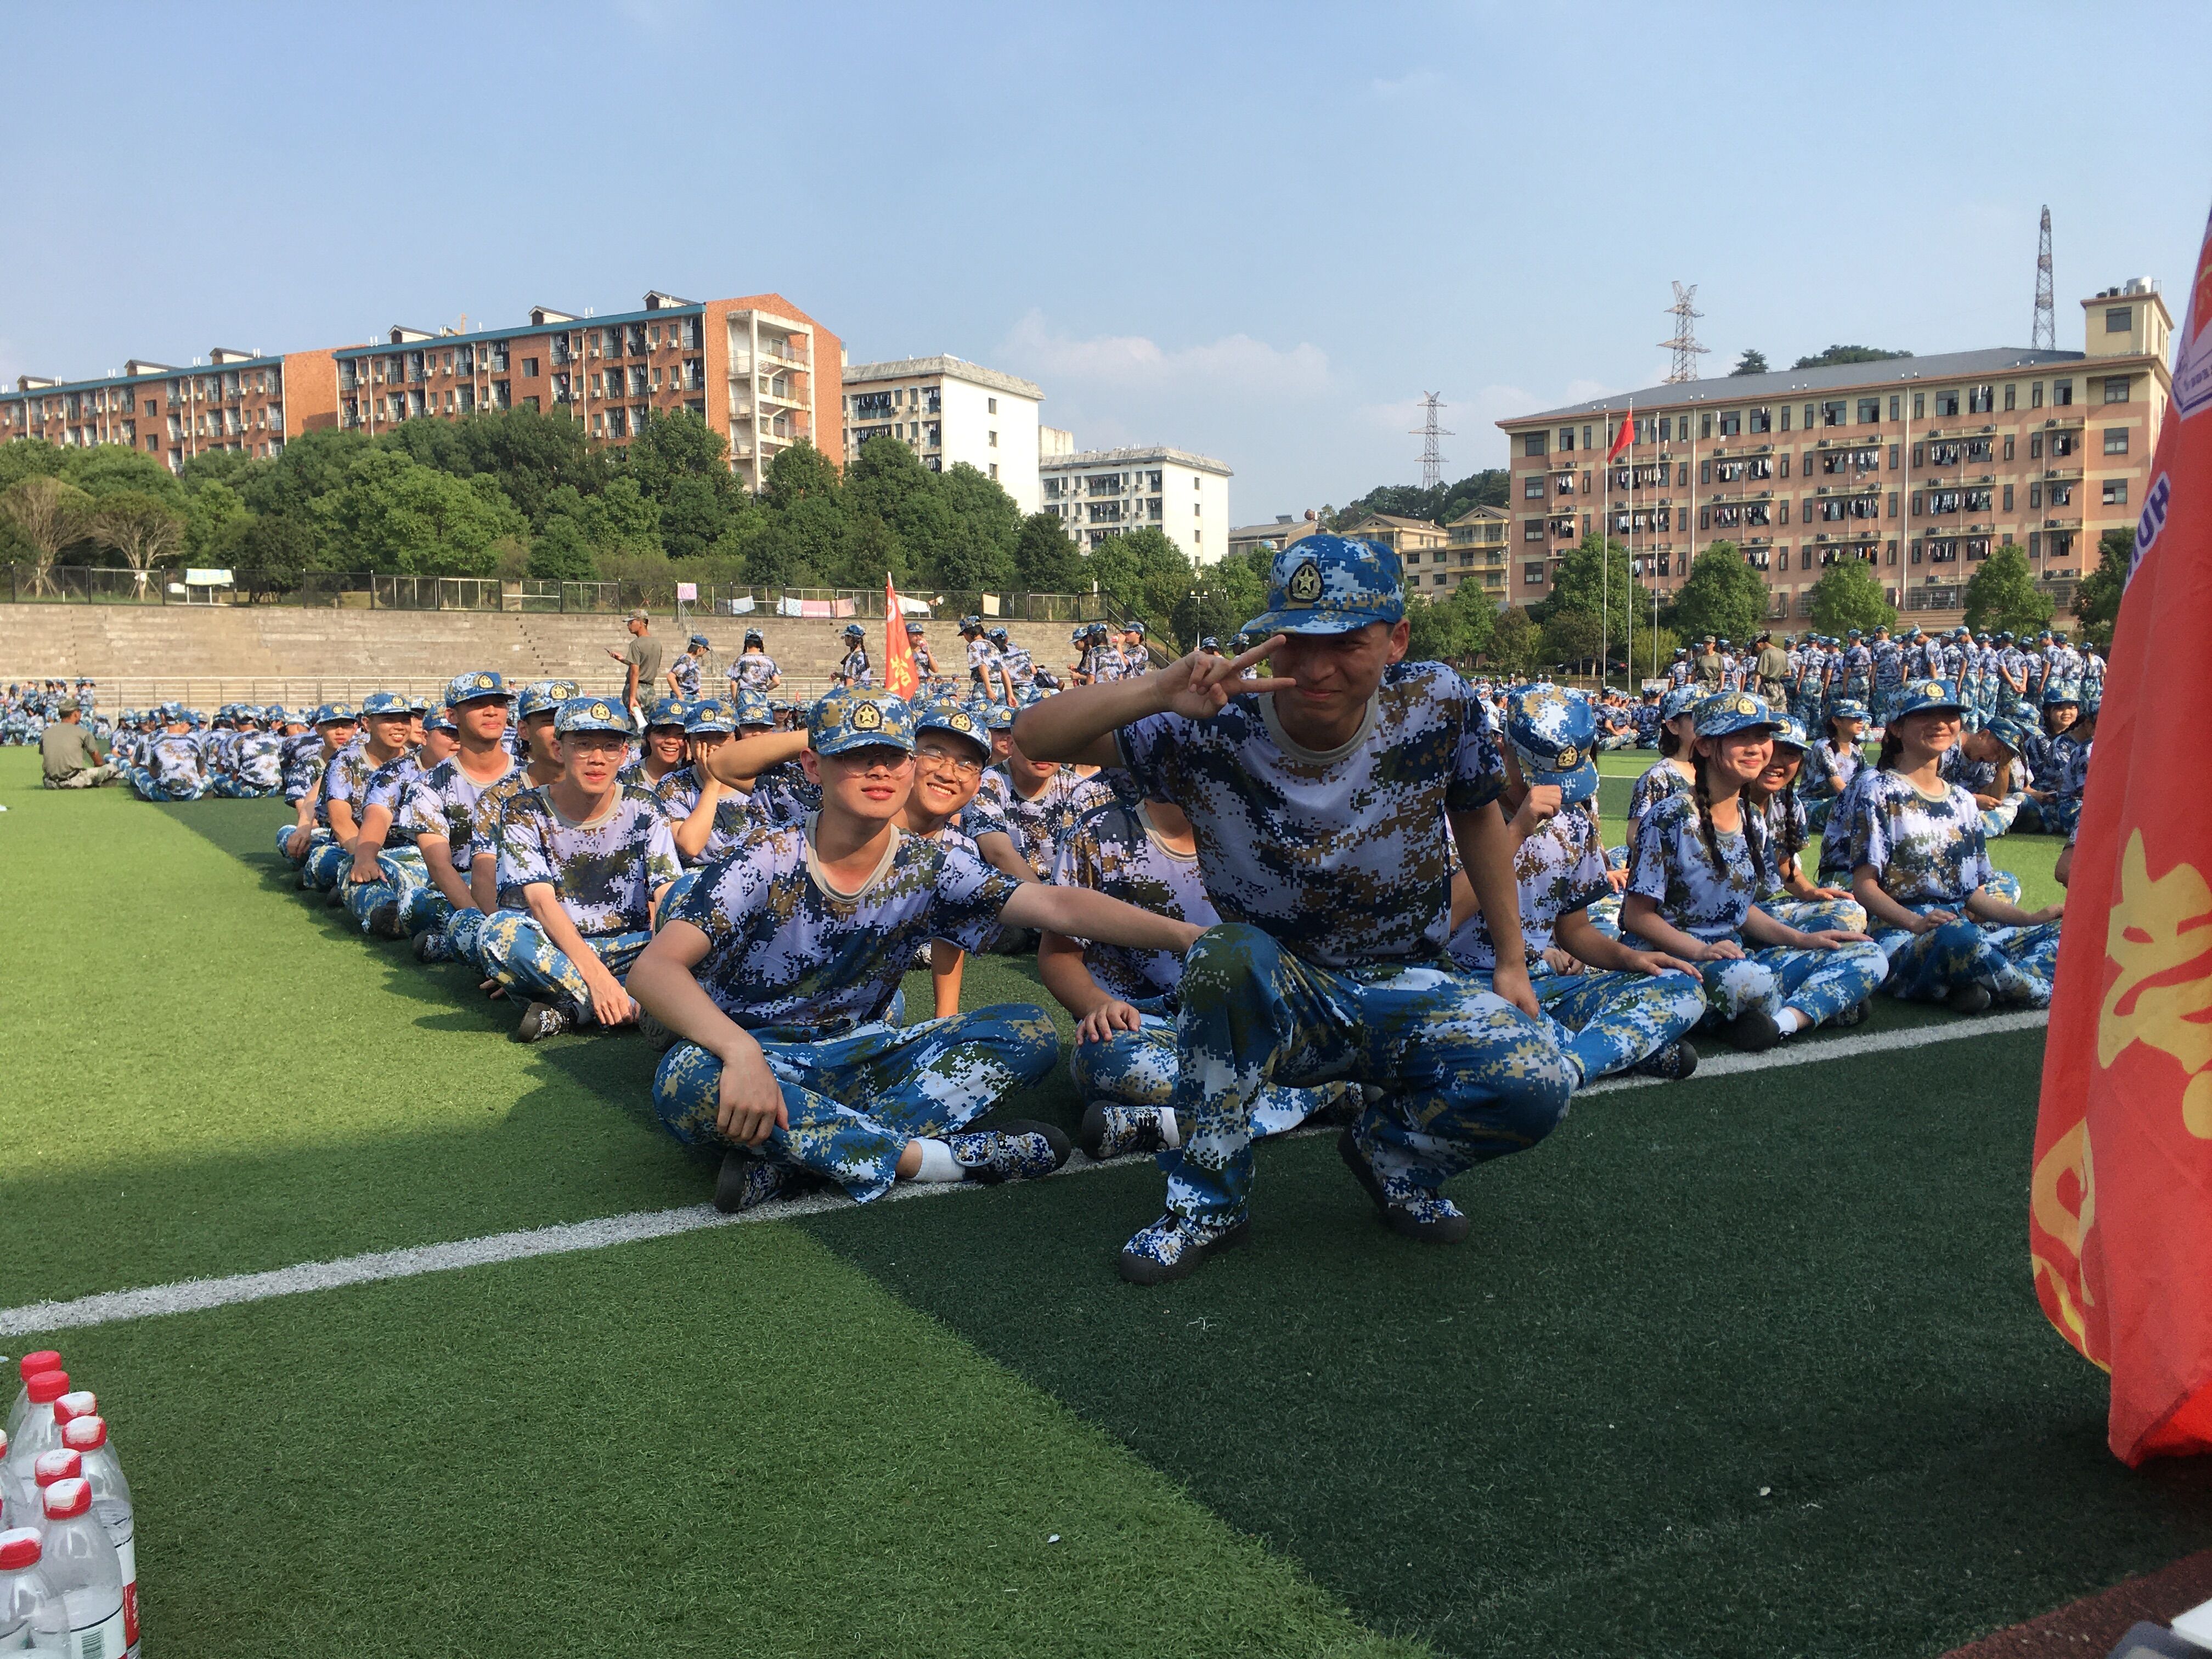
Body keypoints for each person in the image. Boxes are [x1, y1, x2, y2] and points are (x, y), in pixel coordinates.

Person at [1014, 534, 1576, 1285]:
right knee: (1224, 954)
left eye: (1345, 643)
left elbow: (1475, 813)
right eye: (1296, 642)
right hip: (1278, 990)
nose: (1315, 668)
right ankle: (1209, 1203)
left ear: (1396, 641)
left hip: (1404, 980)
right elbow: (1034, 734)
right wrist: (1157, 690)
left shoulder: (1435, 701)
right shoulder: (1213, 718)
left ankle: (1391, 1155)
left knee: (1539, 1080)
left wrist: (1510, 960)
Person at [627, 689, 1206, 1214]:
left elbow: (1056, 907)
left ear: (909, 768)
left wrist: (1187, 937)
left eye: (893, 756)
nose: (879, 770)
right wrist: (740, 1052)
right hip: (764, 1054)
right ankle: (933, 1160)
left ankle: (797, 1162)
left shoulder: (932, 864)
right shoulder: (769, 856)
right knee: (686, 1079)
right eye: (856, 755)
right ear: (814, 766)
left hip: (864, 1052)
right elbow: (654, 969)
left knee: (1027, 1033)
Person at [1043, 788, 1363, 1160]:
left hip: (1248, 1025)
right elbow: (1059, 955)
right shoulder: (1099, 833)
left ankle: (1166, 1126)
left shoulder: (1266, 829)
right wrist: (1098, 1005)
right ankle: (1317, 1093)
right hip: (1145, 1025)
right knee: (1099, 1057)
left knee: (1347, 1025)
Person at [1446, 687, 1708, 1085]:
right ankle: (1622, 1050)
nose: (1556, 794)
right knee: (1493, 1027)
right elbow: (1443, 919)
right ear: (1504, 749)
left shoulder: (1572, 820)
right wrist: (1515, 833)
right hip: (1469, 985)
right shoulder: (1456, 815)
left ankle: (1571, 1065)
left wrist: (1630, 960)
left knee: (1681, 989)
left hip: (1548, 984)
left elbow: (1575, 930)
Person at [1619, 691, 1887, 1052]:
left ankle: (1779, 1023)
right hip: (1679, 957)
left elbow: (1743, 911)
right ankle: (1809, 1006)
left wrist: (1801, 940)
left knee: (1867, 956)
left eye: (1761, 737)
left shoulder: (1753, 819)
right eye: (1739, 737)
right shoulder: (1670, 817)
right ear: (1705, 746)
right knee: (1750, 982)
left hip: (1736, 956)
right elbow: (1636, 917)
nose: (1755, 748)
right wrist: (1700, 951)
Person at [1841, 678, 2064, 1012]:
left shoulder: (1962, 800)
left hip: (1962, 926)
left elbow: (1972, 894)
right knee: (1958, 937)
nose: (1940, 724)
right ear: (1897, 728)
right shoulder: (1878, 791)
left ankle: (1977, 983)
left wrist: (2031, 918)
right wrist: (1915, 923)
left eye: (1949, 715)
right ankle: (2035, 991)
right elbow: (1864, 886)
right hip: (1904, 935)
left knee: (2063, 927)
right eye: (1925, 716)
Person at [478, 696, 681, 1042]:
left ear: (626, 753)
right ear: (560, 750)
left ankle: (570, 1010)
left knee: (695, 915)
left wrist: (667, 958)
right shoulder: (524, 809)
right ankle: (635, 1005)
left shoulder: (643, 805)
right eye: (583, 745)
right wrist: (598, 981)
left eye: (610, 747)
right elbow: (540, 902)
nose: (597, 758)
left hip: (631, 947)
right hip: (558, 947)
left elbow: (667, 890)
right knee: (498, 934)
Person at [398, 672, 517, 963]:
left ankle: (454, 946)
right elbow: (439, 866)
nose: (492, 712)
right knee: (418, 905)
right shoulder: (429, 785)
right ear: (452, 716)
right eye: (478, 705)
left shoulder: (530, 776)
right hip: (465, 886)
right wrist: (486, 925)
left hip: (526, 885)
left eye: (499, 703)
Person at [1624, 685, 1703, 845]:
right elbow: (1635, 836)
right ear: (1673, 726)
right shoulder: (1659, 777)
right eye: (1696, 717)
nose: (1705, 724)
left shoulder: (1714, 769)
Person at [1940, 712, 2034, 838]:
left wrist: (2004, 765)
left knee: (2013, 804)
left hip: (1964, 808)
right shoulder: (1948, 747)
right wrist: (1971, 800)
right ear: (1983, 735)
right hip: (1939, 805)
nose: (1994, 758)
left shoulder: (1985, 760)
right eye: (1997, 750)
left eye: (1999, 756)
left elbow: (1995, 797)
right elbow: (1926, 788)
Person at [1800, 699, 1869, 834]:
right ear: (1836, 721)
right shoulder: (1824, 747)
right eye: (1854, 718)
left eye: (1861, 717)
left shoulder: (1856, 749)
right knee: (1840, 805)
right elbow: (1838, 785)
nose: (1860, 721)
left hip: (1843, 801)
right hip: (1814, 805)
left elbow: (1867, 779)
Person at [38, 698, 116, 789]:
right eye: (79, 712)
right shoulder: (83, 733)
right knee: (114, 768)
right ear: (75, 713)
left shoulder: (46, 733)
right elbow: (98, 762)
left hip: (50, 783)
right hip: (74, 781)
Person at [606, 610, 663, 720]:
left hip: (636, 689)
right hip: (650, 691)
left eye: (631, 622)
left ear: (641, 623)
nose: (628, 626)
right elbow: (647, 665)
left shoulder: (636, 644)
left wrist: (632, 697)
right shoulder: (657, 644)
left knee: (634, 723)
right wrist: (624, 660)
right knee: (648, 724)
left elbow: (635, 672)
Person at [728, 629, 782, 695]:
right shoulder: (768, 660)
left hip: (745, 698)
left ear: (747, 643)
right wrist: (764, 689)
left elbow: (733, 684)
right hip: (762, 699)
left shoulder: (741, 660)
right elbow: (777, 682)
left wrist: (735, 700)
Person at [669, 634, 710, 699]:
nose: (706, 652)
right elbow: (671, 677)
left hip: (692, 696)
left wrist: (701, 695)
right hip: (684, 697)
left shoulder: (693, 661)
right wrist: (679, 696)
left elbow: (694, 682)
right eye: (706, 649)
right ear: (700, 649)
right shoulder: (686, 660)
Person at [834, 623, 872, 689]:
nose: (845, 639)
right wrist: (839, 675)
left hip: (856, 694)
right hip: (865, 692)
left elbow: (850, 687)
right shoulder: (863, 655)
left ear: (851, 638)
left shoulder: (852, 659)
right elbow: (858, 675)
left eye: (846, 636)